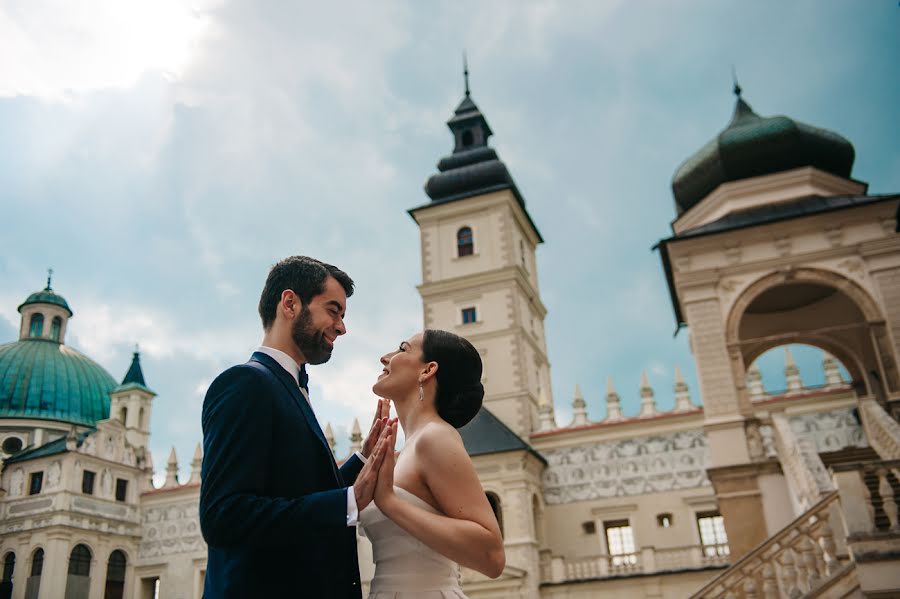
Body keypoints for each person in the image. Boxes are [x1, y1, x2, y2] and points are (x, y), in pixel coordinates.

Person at [200, 256, 393, 598]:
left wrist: (362, 461)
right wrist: (347, 502)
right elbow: (223, 516)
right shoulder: (245, 384)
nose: (342, 327)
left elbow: (297, 493)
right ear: (290, 303)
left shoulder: (289, 387)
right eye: (333, 311)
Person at [361, 330, 506, 598]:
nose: (385, 358)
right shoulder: (406, 451)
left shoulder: (436, 438)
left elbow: (492, 556)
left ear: (428, 370)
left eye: (402, 349)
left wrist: (390, 503)